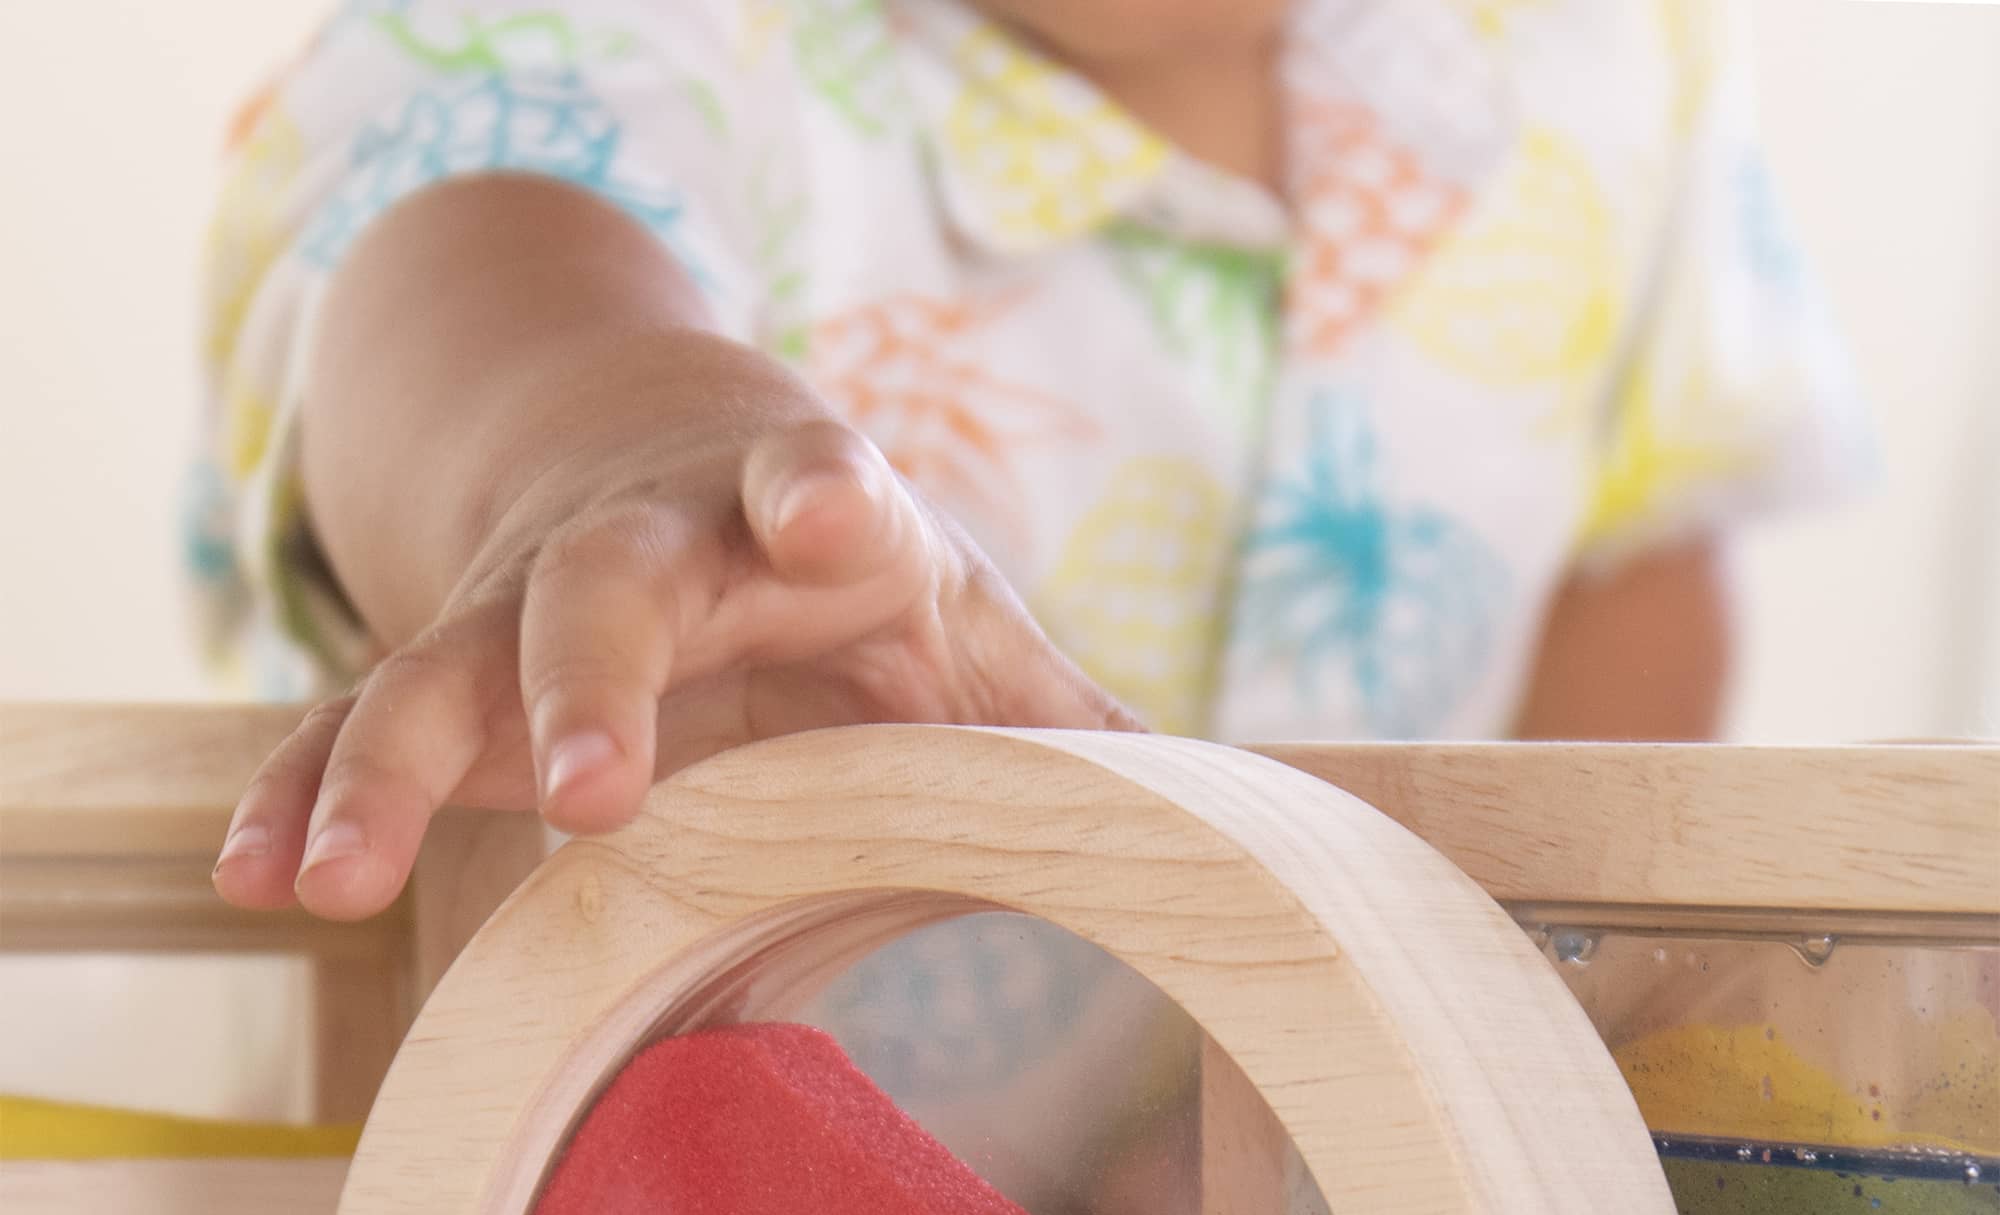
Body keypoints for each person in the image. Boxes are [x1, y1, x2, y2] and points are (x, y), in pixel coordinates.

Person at [198, 0, 1862, 923]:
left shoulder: (1615, 56)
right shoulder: (609, 32)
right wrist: (616, 458)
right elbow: (470, 257)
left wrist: (1550, 1011)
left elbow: (1632, 564)